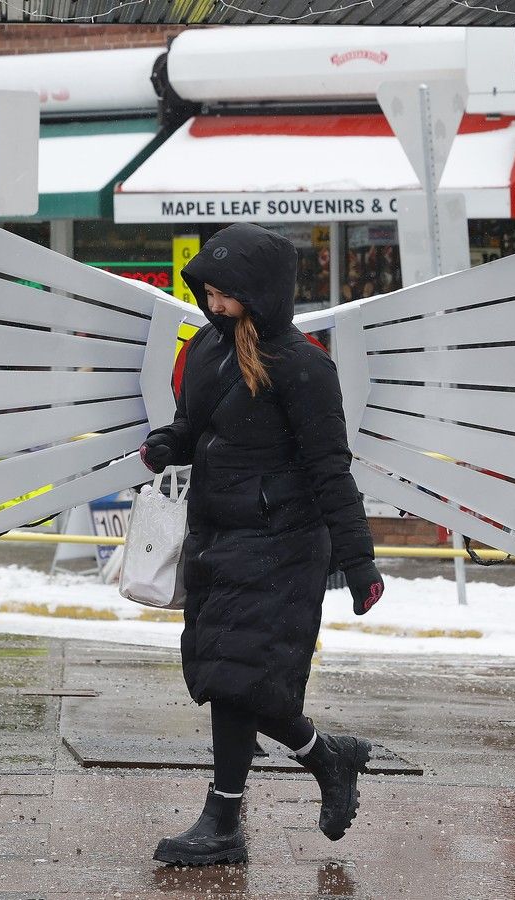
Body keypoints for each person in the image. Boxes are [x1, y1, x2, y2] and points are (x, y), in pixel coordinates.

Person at [139, 222, 386, 867]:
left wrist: (359, 565)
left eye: (228, 294)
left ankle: (232, 814)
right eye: (209, 292)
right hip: (218, 537)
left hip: (283, 546)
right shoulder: (204, 353)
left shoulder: (304, 368)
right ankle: (313, 766)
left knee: (242, 681)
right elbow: (196, 429)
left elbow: (332, 467)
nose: (216, 306)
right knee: (222, 679)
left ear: (263, 294)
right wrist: (170, 444)